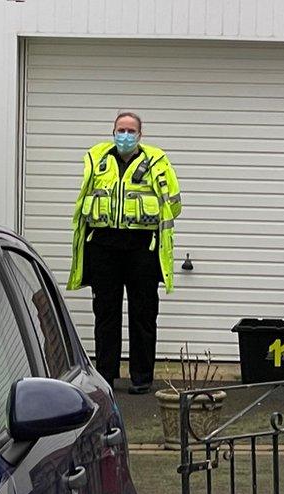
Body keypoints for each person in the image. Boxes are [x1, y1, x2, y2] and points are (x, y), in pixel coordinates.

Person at [67, 112, 182, 394]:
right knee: (106, 315)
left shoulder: (156, 163)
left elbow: (175, 204)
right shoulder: (98, 161)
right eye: (121, 130)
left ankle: (142, 378)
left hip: (142, 249)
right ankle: (106, 376)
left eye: (131, 131)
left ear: (141, 135)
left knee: (143, 314)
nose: (126, 135)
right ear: (113, 131)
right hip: (103, 248)